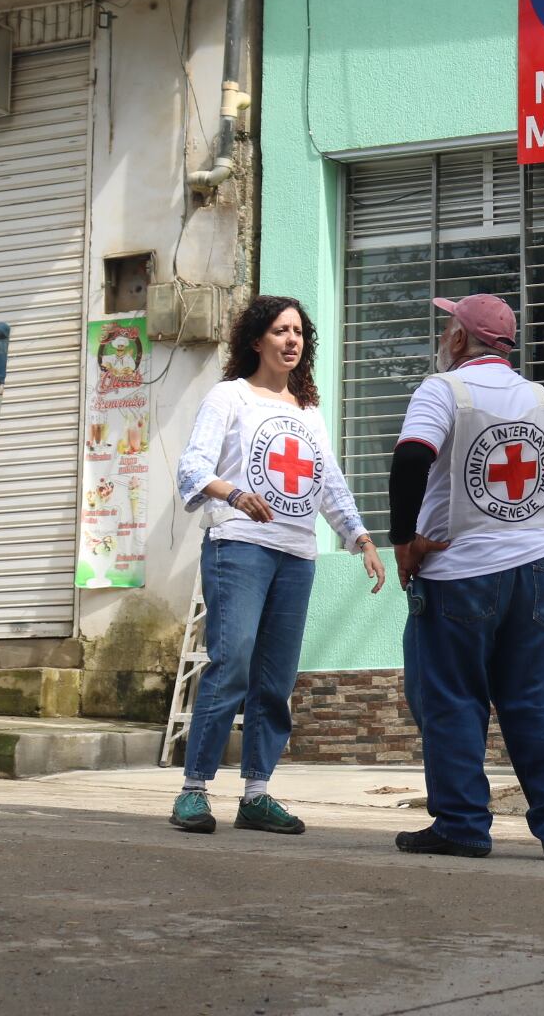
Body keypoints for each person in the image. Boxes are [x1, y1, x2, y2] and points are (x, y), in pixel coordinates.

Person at [386, 293, 544, 860]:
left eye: (447, 327)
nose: (443, 337)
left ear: (459, 339)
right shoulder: (543, 401)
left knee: (450, 699)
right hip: (534, 574)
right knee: (538, 702)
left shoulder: (443, 391)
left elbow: (411, 460)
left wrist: (403, 541)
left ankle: (460, 825)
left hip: (458, 573)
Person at [172, 295, 385, 835]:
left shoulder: (307, 412)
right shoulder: (230, 397)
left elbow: (329, 483)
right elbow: (192, 467)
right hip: (238, 547)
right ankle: (194, 789)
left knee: (276, 677)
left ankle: (256, 794)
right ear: (256, 341)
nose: (292, 340)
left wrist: (360, 537)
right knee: (233, 661)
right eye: (280, 331)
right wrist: (233, 493)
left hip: (296, 555)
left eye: (298, 332)